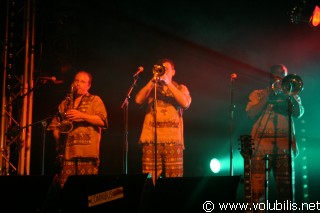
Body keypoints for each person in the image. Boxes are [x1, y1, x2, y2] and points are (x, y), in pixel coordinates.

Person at [246, 64, 304, 207]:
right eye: (276, 74)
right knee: (257, 195)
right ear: (270, 76)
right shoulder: (258, 94)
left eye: (283, 74)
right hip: (260, 148)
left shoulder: (292, 96)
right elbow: (250, 113)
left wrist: (289, 95)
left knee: (286, 197)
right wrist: (268, 96)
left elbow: (298, 113)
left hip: (284, 148)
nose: (279, 77)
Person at [135, 58, 191, 184]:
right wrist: (151, 82)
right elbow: (138, 100)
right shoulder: (152, 88)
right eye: (161, 69)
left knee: (174, 181)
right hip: (151, 140)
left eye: (167, 69)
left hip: (173, 141)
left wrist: (168, 84)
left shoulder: (180, 88)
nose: (164, 71)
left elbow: (185, 103)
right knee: (149, 181)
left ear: (173, 72)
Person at [48, 70, 108, 187]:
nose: (78, 84)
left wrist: (81, 115)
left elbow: (102, 121)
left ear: (88, 85)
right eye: (76, 80)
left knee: (87, 190)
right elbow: (54, 126)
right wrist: (59, 142)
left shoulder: (95, 100)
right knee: (66, 191)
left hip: (88, 155)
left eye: (82, 81)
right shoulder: (65, 103)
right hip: (68, 154)